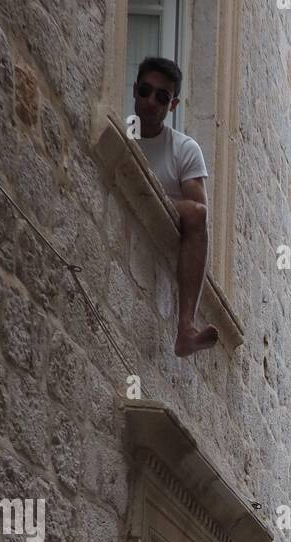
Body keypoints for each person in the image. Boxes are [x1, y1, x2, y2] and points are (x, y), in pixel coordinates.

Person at [132, 57, 218, 357]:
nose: (151, 101)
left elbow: (198, 213)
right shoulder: (122, 135)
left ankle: (186, 328)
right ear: (134, 90)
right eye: (145, 90)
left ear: (173, 105)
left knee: (197, 212)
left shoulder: (183, 149)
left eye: (162, 96)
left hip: (165, 220)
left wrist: (154, 195)